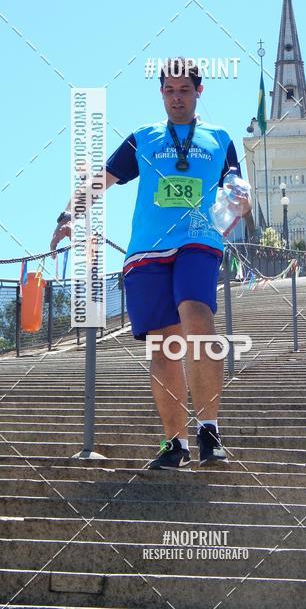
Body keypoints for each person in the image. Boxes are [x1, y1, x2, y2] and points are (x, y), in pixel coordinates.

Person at [50, 58, 251, 470]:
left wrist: (241, 205)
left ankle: (209, 430)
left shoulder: (220, 138)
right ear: (161, 93)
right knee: (163, 347)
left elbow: (236, 189)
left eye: (185, 90)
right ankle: (175, 444)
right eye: (169, 91)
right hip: (146, 251)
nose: (177, 98)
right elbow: (100, 180)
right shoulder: (143, 137)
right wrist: (68, 215)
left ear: (199, 92)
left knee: (197, 318)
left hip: (197, 241)